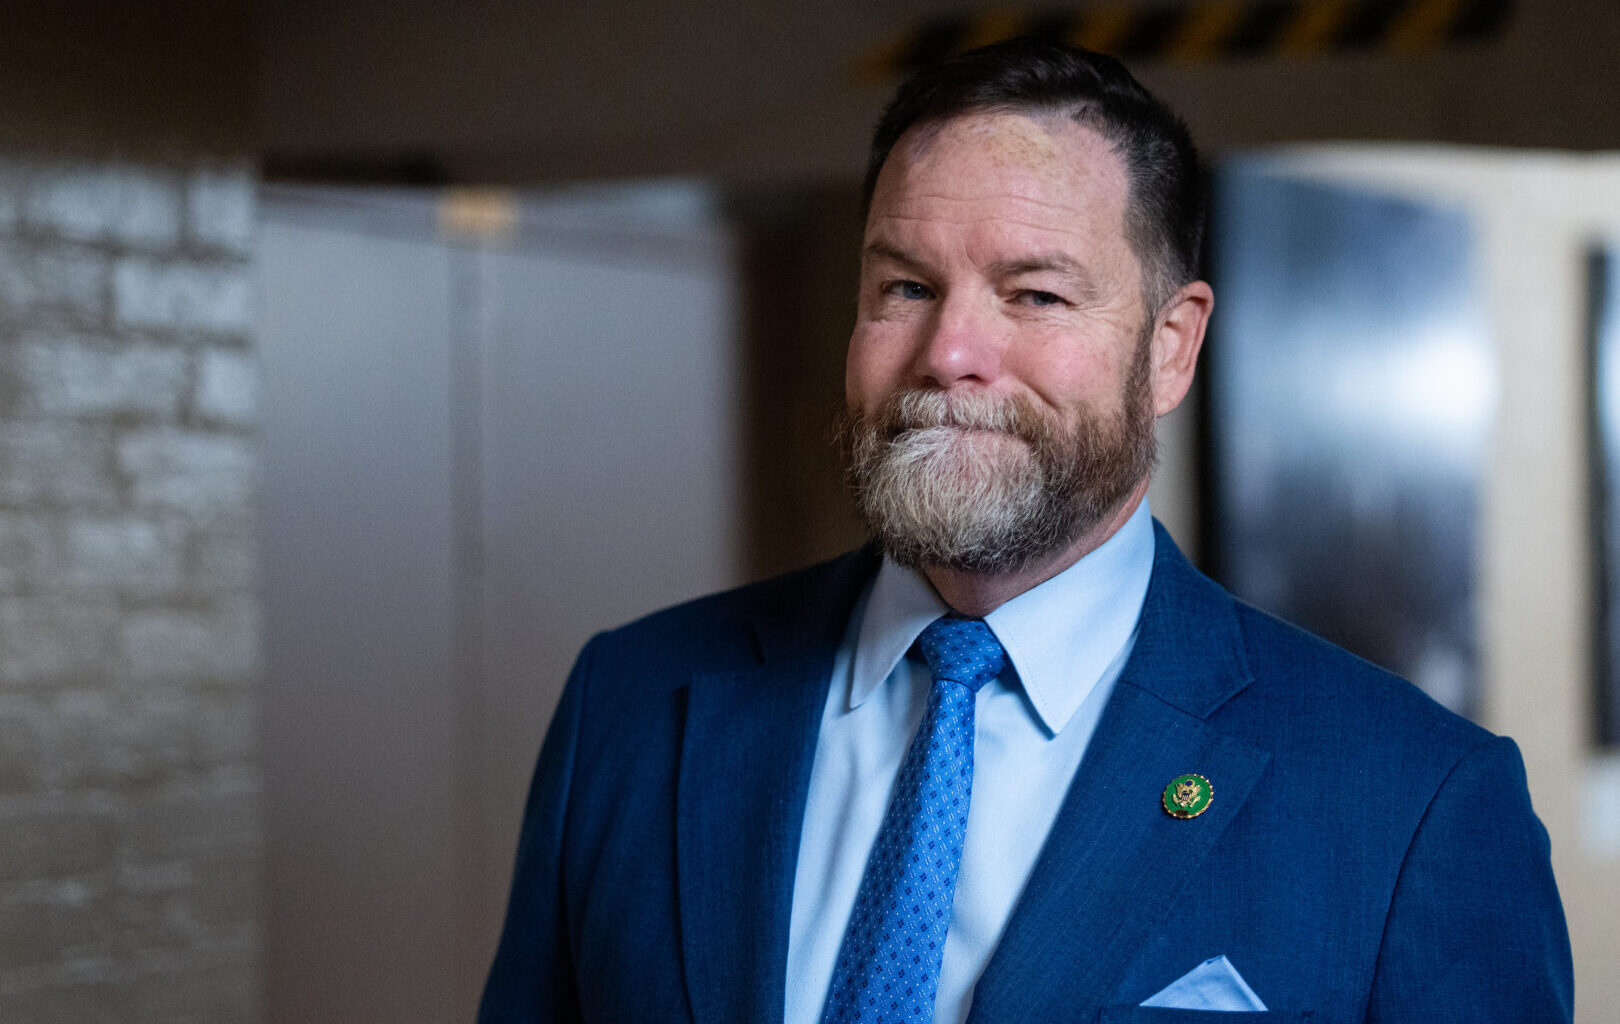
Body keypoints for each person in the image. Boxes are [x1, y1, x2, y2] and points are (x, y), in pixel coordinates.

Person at [478, 38, 1572, 1024]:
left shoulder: (1413, 806)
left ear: (1170, 349)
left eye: (1034, 295)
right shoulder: (627, 707)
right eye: (905, 286)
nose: (950, 352)